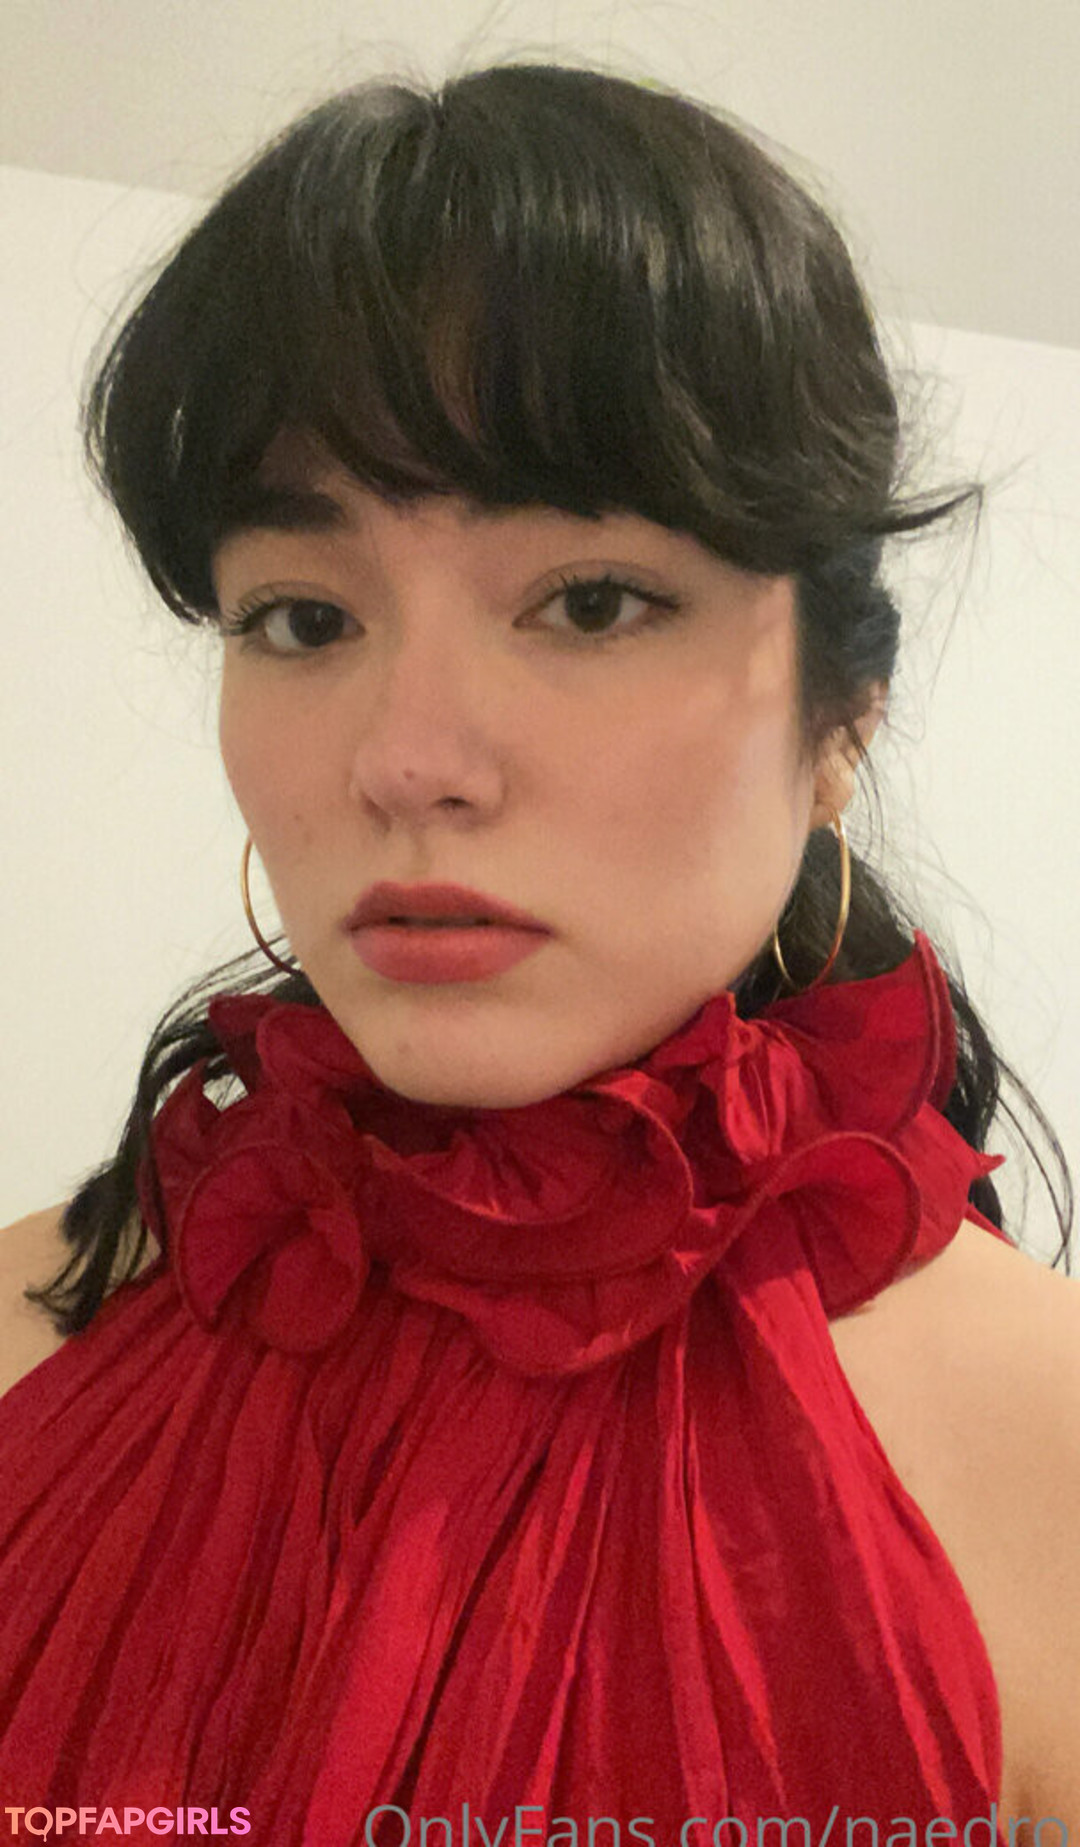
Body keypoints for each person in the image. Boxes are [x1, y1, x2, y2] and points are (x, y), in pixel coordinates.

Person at [0, 58, 1077, 1845]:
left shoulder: (1048, 1466)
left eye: (590, 600)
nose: (407, 760)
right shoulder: (27, 1334)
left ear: (842, 715)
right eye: (304, 617)